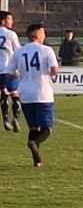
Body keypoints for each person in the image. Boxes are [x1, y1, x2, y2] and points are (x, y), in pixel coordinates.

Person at [12, 24, 59, 167]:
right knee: (47, 128)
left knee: (33, 128)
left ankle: (37, 161)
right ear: (37, 34)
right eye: (43, 33)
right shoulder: (47, 50)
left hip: (25, 94)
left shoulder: (19, 52)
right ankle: (34, 143)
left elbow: (10, 71)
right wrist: (52, 74)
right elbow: (54, 70)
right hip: (43, 93)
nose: (45, 35)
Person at [0, 10, 22, 133]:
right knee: (15, 96)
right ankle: (16, 118)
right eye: (10, 19)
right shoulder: (11, 34)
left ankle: (5, 119)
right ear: (3, 20)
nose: (11, 21)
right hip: (10, 70)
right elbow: (18, 51)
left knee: (4, 95)